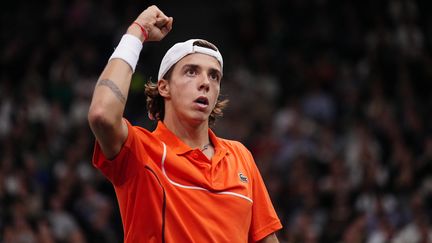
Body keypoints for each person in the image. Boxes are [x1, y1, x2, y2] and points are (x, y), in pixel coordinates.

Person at [88, 5, 282, 243]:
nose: (205, 83)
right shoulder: (141, 151)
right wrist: (136, 33)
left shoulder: (241, 157)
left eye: (214, 76)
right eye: (191, 72)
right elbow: (101, 114)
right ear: (164, 87)